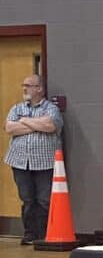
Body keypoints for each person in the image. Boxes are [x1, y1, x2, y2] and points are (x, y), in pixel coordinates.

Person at [5, 74, 64, 244]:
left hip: (45, 163)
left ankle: (44, 235)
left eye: (28, 85)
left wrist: (24, 121)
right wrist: (36, 125)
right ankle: (29, 234)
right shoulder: (16, 108)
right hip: (20, 162)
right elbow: (9, 128)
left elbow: (50, 126)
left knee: (44, 200)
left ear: (39, 89)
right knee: (27, 199)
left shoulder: (51, 108)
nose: (24, 88)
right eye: (23, 85)